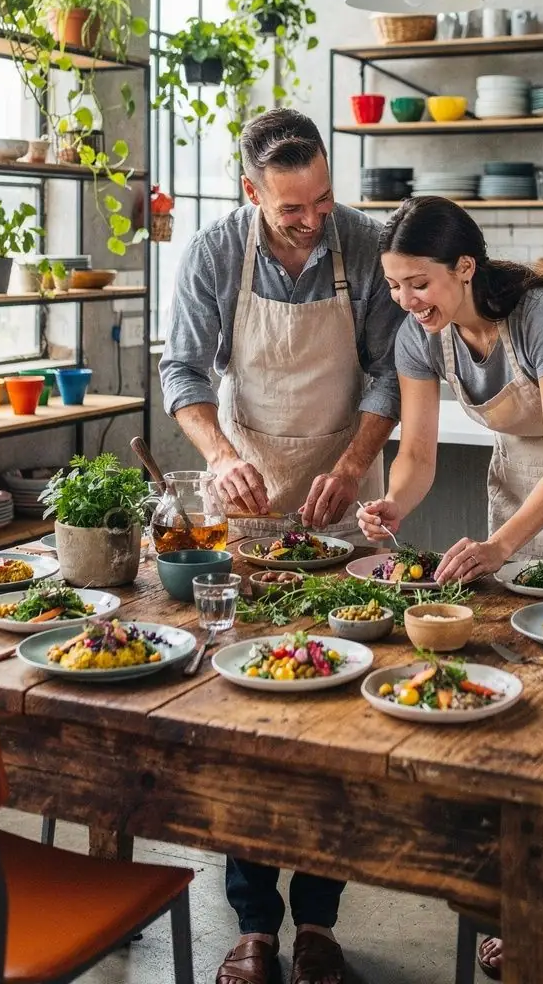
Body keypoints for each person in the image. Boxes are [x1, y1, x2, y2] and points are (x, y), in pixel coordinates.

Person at [358, 196, 543, 980]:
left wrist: (500, 543)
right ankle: (524, 903)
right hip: (518, 488)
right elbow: (415, 454)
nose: (406, 302)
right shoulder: (421, 337)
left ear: (464, 268)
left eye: (418, 283)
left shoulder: (542, 314)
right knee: (523, 689)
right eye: (393, 286)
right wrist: (393, 501)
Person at [160, 108, 403, 984]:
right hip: (252, 502)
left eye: (324, 198)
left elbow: (389, 371)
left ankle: (321, 925)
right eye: (293, 206)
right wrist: (220, 459)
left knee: (337, 713)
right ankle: (255, 925)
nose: (314, 218)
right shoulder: (216, 251)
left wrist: (355, 463)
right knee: (251, 712)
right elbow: (183, 370)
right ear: (252, 191)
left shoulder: (364, 244)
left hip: (346, 498)